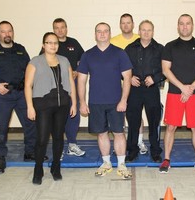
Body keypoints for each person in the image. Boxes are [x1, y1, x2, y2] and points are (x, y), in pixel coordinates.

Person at [77, 22, 133, 179]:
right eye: (99, 31)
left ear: (110, 33)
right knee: (101, 134)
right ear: (95, 34)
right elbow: (81, 80)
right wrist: (82, 102)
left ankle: (121, 164)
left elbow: (127, 78)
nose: (102, 34)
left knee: (119, 133)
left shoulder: (120, 53)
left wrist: (124, 100)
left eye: (105, 31)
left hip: (116, 102)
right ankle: (106, 163)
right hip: (96, 102)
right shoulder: (87, 55)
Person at [0, 21, 37, 174]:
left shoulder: (20, 49)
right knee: (1, 127)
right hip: (3, 96)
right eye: (3, 32)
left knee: (30, 123)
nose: (7, 34)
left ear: (13, 32)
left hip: (21, 93)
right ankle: (0, 158)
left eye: (9, 31)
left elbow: (29, 70)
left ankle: (30, 152)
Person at [160, 14, 195, 174]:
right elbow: (165, 70)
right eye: (181, 24)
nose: (185, 26)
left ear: (192, 25)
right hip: (175, 92)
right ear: (178, 26)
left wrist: (191, 87)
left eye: (188, 23)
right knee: (171, 127)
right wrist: (182, 87)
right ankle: (166, 159)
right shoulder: (170, 46)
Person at [24, 32, 77, 185]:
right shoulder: (35, 62)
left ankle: (56, 167)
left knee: (59, 137)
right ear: (43, 45)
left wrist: (73, 103)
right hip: (43, 106)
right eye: (49, 42)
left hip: (62, 106)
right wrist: (30, 107)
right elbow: (27, 85)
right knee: (42, 139)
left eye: (55, 43)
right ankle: (38, 169)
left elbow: (71, 83)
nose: (53, 45)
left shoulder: (64, 60)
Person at [124, 20, 165, 163]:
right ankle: (132, 151)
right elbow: (121, 69)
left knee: (154, 123)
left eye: (149, 30)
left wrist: (155, 78)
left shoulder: (160, 49)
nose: (146, 33)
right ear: (139, 31)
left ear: (153, 32)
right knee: (133, 122)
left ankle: (155, 152)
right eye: (143, 30)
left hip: (151, 90)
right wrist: (129, 79)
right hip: (134, 90)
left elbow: (166, 70)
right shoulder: (129, 48)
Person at [111, 13, 148, 155]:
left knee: (136, 115)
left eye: (128, 23)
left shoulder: (141, 39)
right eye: (123, 23)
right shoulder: (113, 41)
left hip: (136, 86)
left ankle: (139, 142)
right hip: (117, 85)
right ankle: (121, 143)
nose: (126, 25)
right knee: (119, 115)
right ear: (120, 25)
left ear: (133, 24)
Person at [52, 18, 85, 158]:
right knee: (57, 116)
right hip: (55, 89)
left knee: (74, 115)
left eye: (62, 27)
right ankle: (58, 148)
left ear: (66, 28)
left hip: (73, 87)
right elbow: (43, 64)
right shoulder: (50, 44)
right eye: (57, 28)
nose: (60, 30)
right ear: (53, 30)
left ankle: (72, 144)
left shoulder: (74, 43)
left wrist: (77, 70)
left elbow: (84, 60)